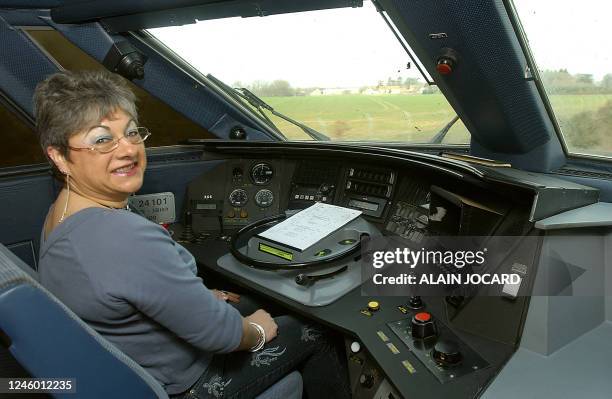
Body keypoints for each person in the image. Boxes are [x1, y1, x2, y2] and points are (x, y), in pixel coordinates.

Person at [35, 70, 350, 398]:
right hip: (183, 384)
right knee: (316, 330)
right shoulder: (120, 235)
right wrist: (257, 330)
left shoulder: (62, 212)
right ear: (59, 156)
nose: (127, 149)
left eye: (131, 133)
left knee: (246, 299)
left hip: (134, 363)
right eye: (102, 140)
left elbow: (126, 287)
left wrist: (193, 295)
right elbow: (220, 334)